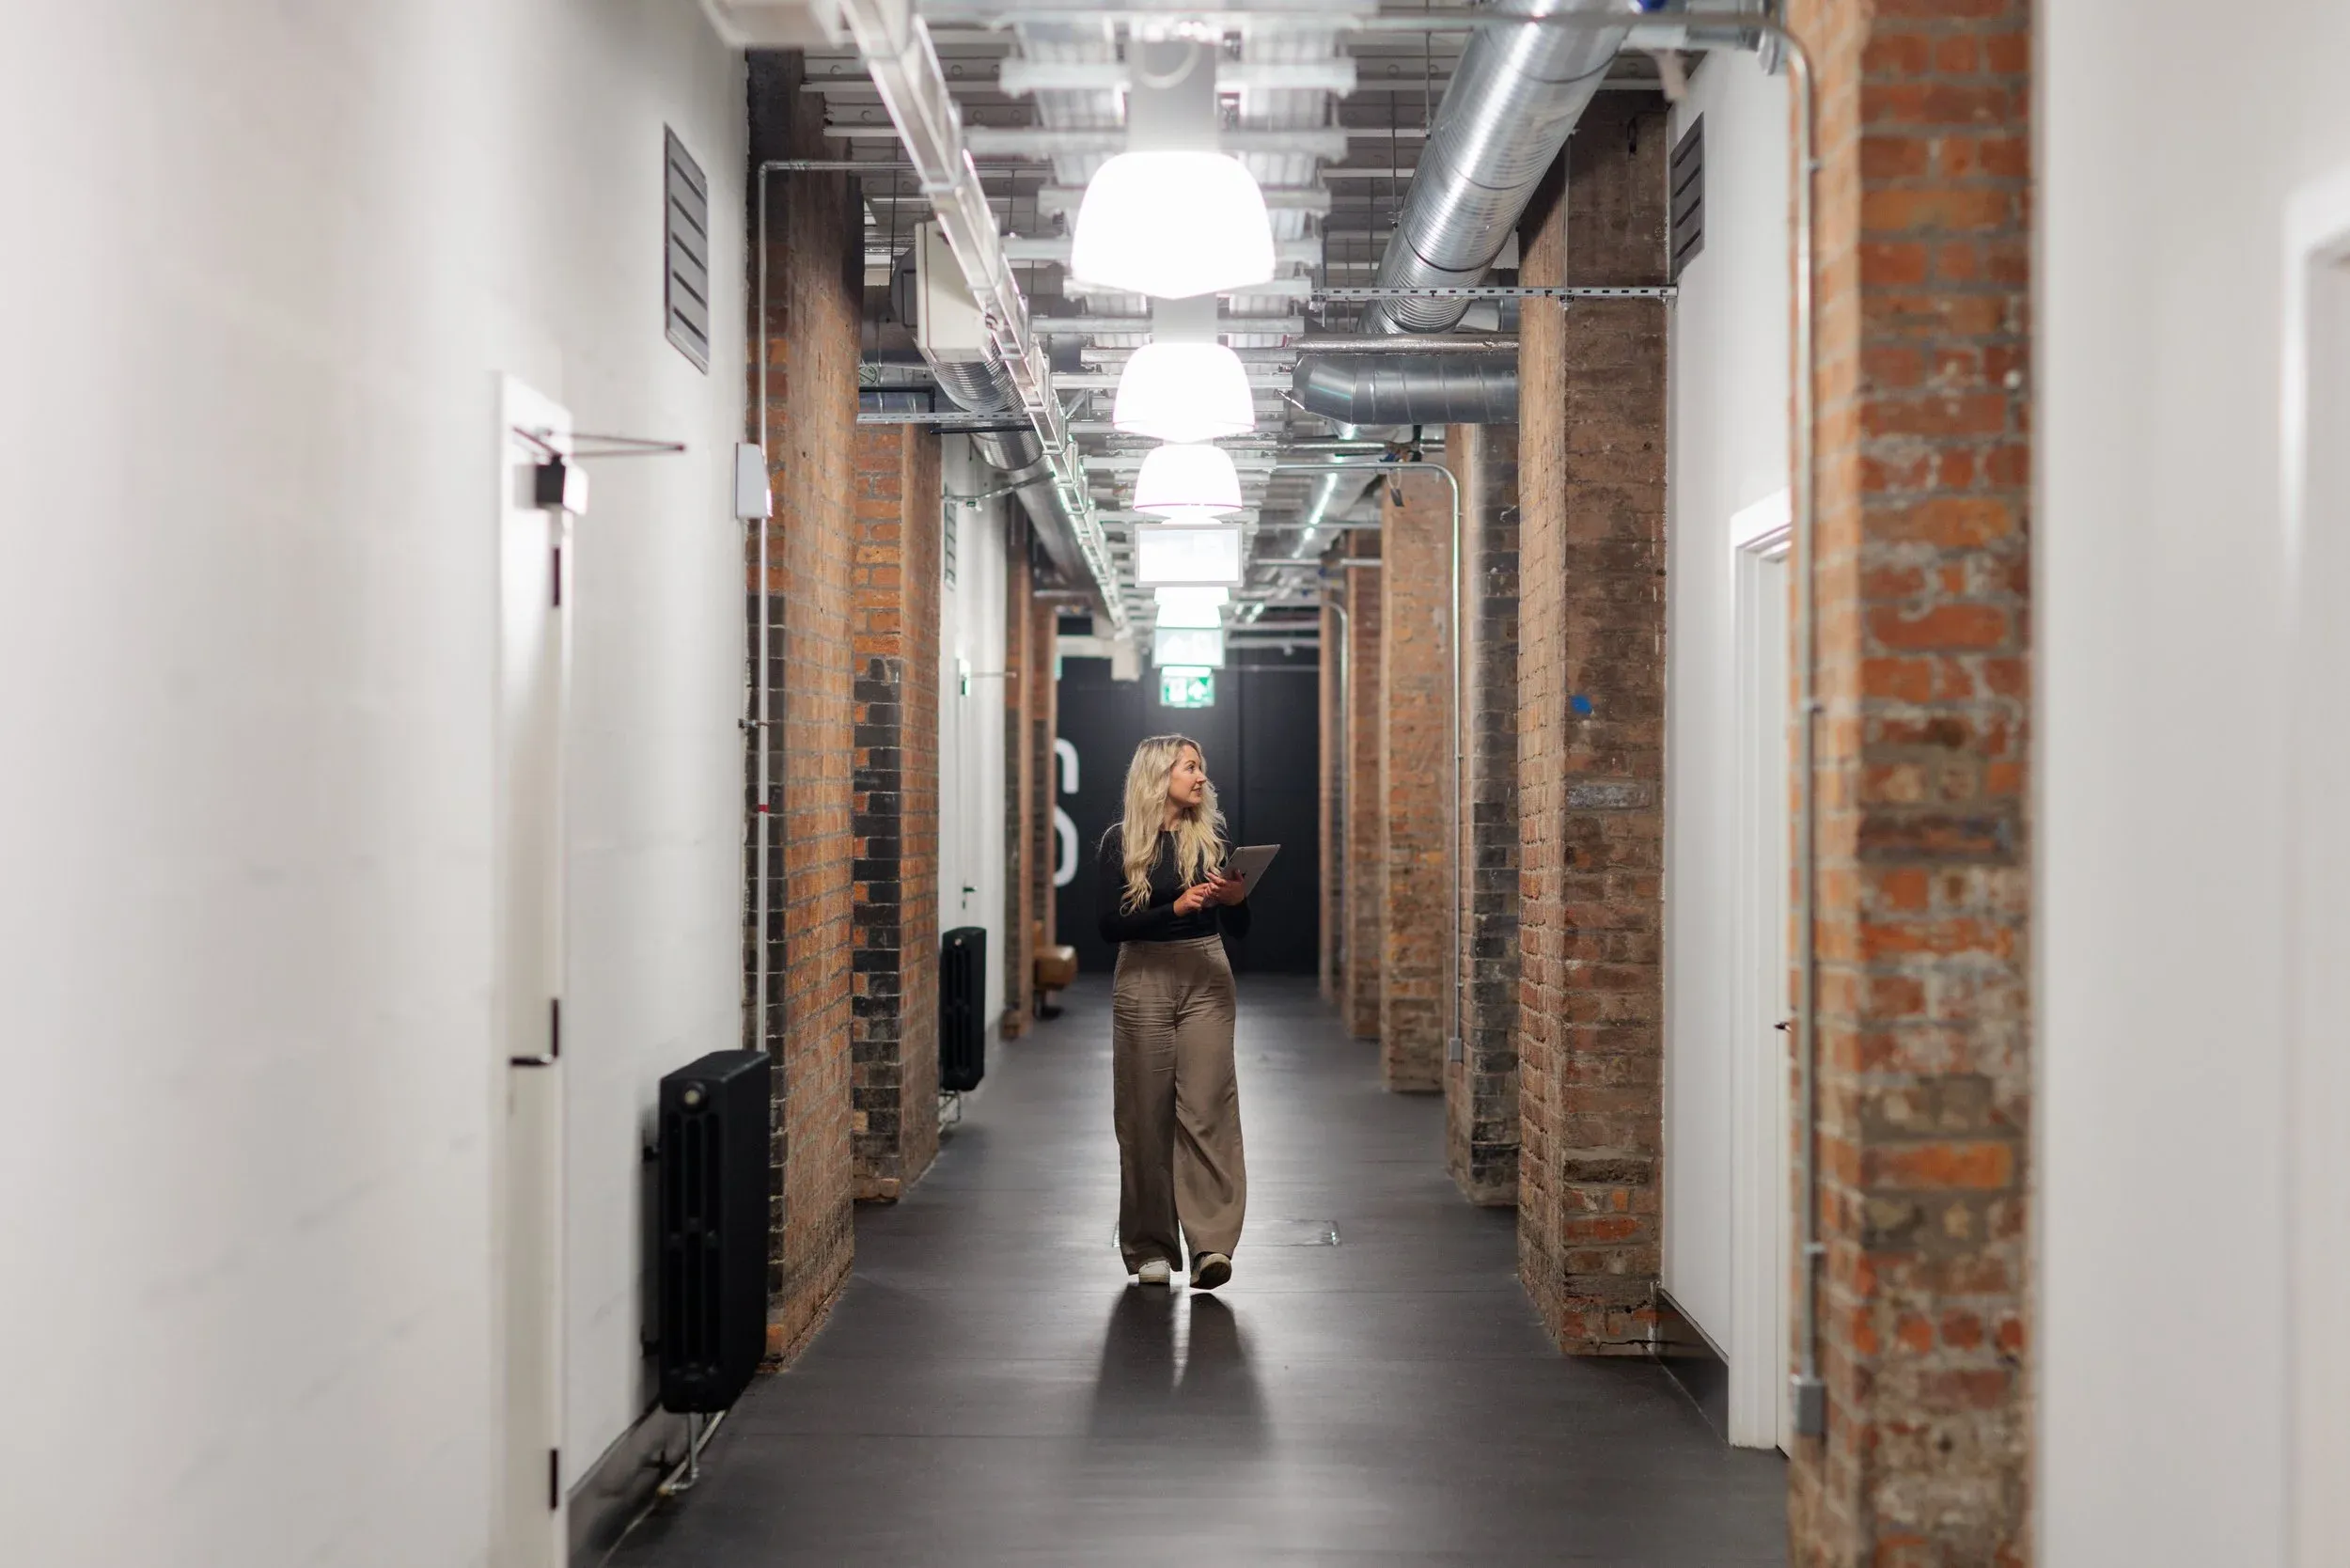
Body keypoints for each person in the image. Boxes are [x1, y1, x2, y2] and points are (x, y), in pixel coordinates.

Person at [1096, 734, 1251, 1291]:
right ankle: (1149, 1248)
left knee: (1208, 1106)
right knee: (1144, 1115)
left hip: (1206, 975)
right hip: (1142, 977)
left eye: (1201, 767)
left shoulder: (1211, 839)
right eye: (1191, 767)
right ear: (1161, 775)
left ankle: (1212, 1244)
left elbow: (1241, 928)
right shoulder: (1122, 842)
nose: (1201, 777)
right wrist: (1172, 908)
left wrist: (1235, 902)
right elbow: (1109, 926)